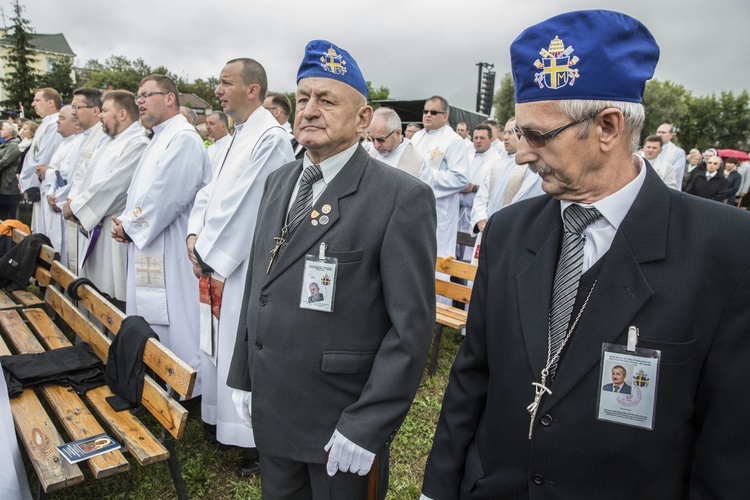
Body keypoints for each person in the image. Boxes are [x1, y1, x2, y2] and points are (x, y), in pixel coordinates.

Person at [421, 10, 750, 499]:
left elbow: (729, 444)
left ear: (608, 127)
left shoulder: (724, 246)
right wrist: (437, 489)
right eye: (521, 132)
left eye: (538, 135)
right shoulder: (510, 231)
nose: (521, 154)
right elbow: (473, 376)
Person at [227, 40, 436, 500]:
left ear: (363, 120)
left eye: (327, 100)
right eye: (303, 98)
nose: (309, 110)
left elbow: (412, 329)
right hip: (276, 405)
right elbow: (259, 284)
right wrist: (244, 373)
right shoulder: (280, 181)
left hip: (339, 421)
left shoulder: (399, 198)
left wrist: (368, 423)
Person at [186, 57, 293, 478]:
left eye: (225, 83)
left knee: (239, 344)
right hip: (215, 256)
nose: (217, 90)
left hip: (245, 260)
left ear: (253, 89)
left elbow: (250, 206)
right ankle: (218, 418)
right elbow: (208, 193)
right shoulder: (233, 136)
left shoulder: (271, 137)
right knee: (218, 341)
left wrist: (209, 252)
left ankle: (254, 442)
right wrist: (195, 237)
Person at [112, 74, 211, 397]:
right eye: (138, 95)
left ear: (169, 98)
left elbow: (167, 196)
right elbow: (142, 193)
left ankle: (186, 386)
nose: (139, 101)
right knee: (153, 313)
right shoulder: (159, 137)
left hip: (173, 246)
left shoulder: (182, 138)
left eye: (146, 94)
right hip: (152, 242)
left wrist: (129, 225)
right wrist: (127, 220)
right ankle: (158, 379)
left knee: (178, 317)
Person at [66, 90, 149, 309]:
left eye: (104, 111)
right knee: (93, 289)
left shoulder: (137, 143)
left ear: (122, 114)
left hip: (112, 230)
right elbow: (84, 173)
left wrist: (76, 208)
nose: (100, 116)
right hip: (94, 223)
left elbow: (115, 186)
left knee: (112, 297)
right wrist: (73, 201)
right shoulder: (109, 142)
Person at [411, 96, 468, 262]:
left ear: (445, 116)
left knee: (434, 259)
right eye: (425, 111)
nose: (428, 115)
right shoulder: (417, 137)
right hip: (413, 205)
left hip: (439, 211)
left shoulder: (454, 141)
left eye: (433, 112)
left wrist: (424, 175)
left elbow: (460, 178)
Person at [55, 88, 107, 272]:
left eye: (77, 106)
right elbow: (72, 175)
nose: (73, 111)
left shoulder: (102, 137)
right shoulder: (81, 138)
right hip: (72, 207)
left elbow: (94, 180)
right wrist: (60, 197)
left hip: (86, 214)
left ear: (95, 110)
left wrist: (71, 203)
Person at [38, 105, 83, 263]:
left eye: (62, 118)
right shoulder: (64, 143)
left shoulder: (79, 143)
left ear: (76, 124)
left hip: (63, 202)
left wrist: (47, 173)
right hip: (54, 198)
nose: (57, 120)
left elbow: (68, 175)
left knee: (65, 250)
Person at [18, 88, 62, 235]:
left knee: (46, 233)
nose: (32, 104)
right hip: (38, 186)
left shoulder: (55, 124)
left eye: (37, 100)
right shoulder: (45, 124)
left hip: (43, 186)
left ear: (50, 102)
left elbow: (42, 158)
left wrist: (28, 184)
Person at [367, 107, 422, 177]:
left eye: (381, 140)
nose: (376, 145)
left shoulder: (418, 161)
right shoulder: (370, 154)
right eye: (372, 139)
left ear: (398, 133)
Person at [0, 122, 22, 220]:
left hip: (9, 184)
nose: (1, 131)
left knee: (9, 213)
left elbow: (4, 161)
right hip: (4, 183)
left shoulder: (13, 145)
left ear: (10, 132)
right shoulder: (6, 144)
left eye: (3, 129)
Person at [655, 123, 686, 189]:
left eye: (663, 132)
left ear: (671, 135)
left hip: (668, 186)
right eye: (659, 132)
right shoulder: (648, 150)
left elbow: (676, 172)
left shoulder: (678, 152)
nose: (660, 134)